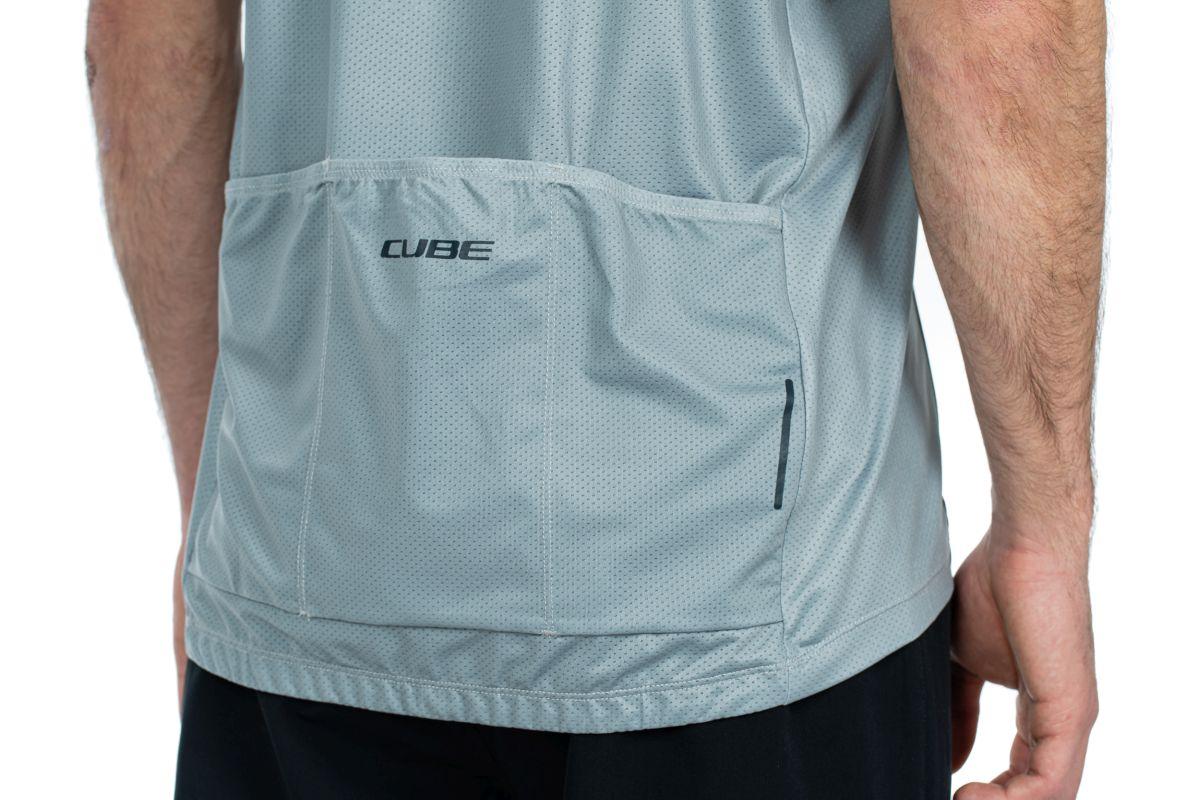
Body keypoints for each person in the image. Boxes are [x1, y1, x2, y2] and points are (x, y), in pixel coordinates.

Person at [87, 1, 1105, 797]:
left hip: (313, 557)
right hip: (748, 581)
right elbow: (994, 23)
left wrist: (221, 493)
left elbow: (146, 28)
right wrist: (1040, 533)